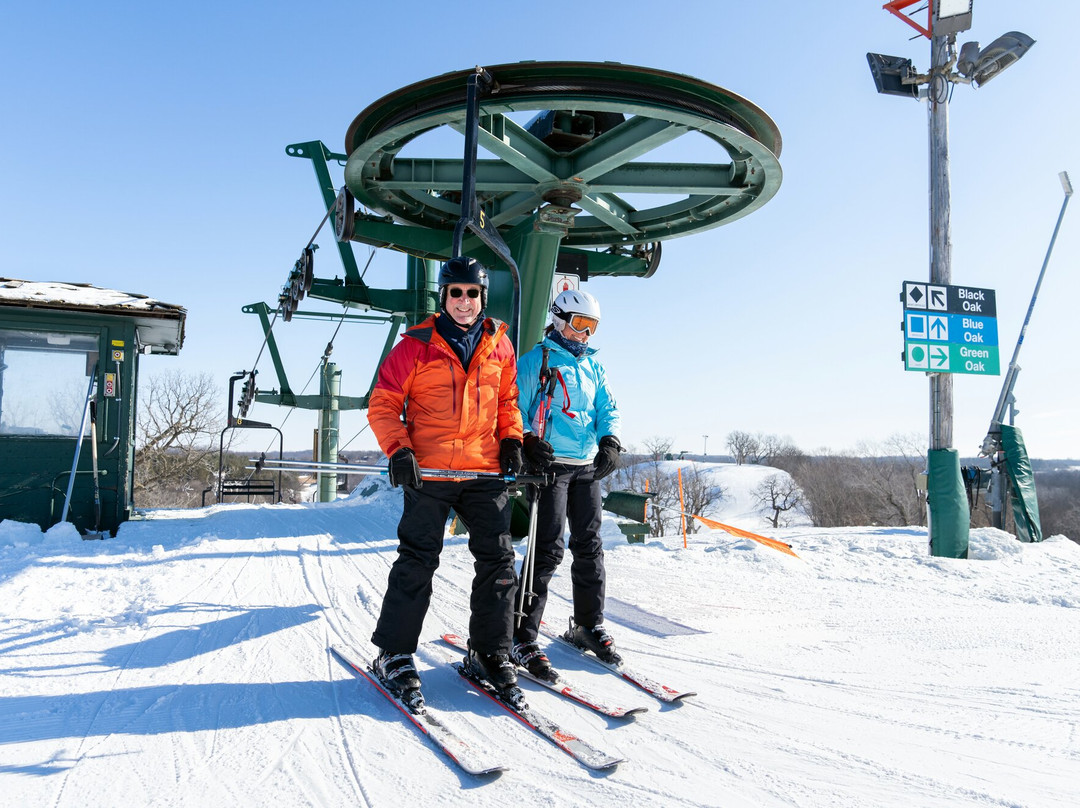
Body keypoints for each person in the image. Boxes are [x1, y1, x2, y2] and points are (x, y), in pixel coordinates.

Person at [366, 255, 525, 699]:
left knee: (498, 562)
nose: (464, 301)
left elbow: (508, 401)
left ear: (482, 298)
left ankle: (490, 651)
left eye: (472, 293)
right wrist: (399, 450)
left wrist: (513, 440)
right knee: (418, 559)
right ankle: (393, 652)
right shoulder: (415, 345)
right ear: (444, 296)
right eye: (455, 292)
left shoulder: (500, 345)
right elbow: (382, 405)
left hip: (482, 469)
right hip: (431, 472)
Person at [512, 288, 624, 677]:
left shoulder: (594, 366)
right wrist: (527, 440)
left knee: (590, 546)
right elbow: (514, 408)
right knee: (547, 551)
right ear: (559, 319)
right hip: (550, 468)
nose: (585, 335)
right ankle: (521, 635)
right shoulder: (536, 361)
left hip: (584, 467)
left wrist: (609, 440)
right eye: (579, 325)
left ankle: (587, 625)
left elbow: (606, 407)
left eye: (592, 327)